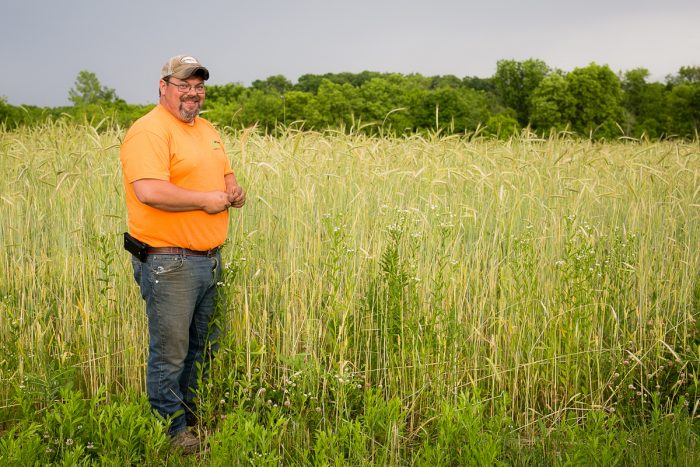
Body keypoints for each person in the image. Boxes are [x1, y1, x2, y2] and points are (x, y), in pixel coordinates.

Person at [119, 54, 246, 454]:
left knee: (202, 346)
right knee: (170, 354)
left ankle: (190, 417)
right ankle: (171, 433)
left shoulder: (206, 128)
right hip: (168, 261)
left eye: (199, 86)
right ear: (163, 86)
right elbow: (149, 191)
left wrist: (232, 189)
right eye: (184, 85)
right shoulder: (150, 132)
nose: (193, 93)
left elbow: (223, 171)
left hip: (208, 258)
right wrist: (204, 202)